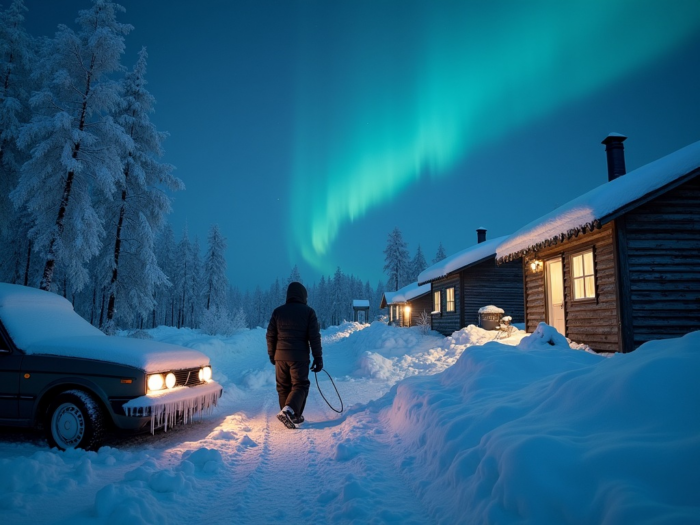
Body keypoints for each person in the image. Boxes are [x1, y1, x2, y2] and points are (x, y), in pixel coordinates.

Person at [266, 281, 323, 429]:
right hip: (299, 357)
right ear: (303, 296)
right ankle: (290, 412)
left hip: (280, 357)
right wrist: (318, 357)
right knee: (300, 385)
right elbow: (314, 337)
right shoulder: (308, 312)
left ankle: (292, 415)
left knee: (283, 387)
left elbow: (270, 335)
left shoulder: (278, 312)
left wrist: (272, 354)